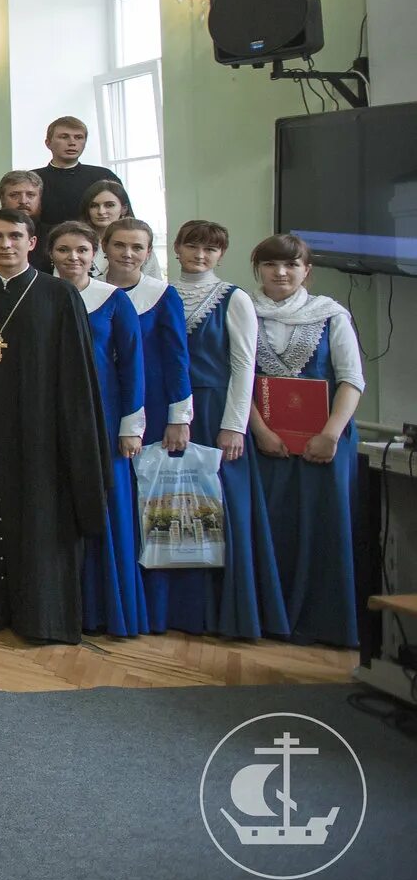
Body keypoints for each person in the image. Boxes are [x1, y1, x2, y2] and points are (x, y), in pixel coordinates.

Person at [0, 210, 108, 644]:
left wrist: (70, 433)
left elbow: (78, 374)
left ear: (32, 242)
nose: (5, 245)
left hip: (44, 429)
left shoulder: (58, 294)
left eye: (14, 237)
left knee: (42, 520)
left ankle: (43, 616)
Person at [160, 221, 285, 639]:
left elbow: (243, 366)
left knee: (222, 507)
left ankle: (227, 612)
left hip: (216, 410)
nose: (200, 255)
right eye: (192, 246)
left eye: (211, 249)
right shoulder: (161, 292)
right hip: (171, 409)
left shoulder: (235, 298)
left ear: (221, 254)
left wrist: (235, 427)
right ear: (176, 248)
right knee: (169, 503)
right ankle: (177, 609)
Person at [247, 234, 366, 649]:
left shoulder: (331, 315)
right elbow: (237, 380)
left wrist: (330, 435)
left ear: (306, 271)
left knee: (324, 527)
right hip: (265, 443)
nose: (281, 273)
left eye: (291, 265)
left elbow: (351, 380)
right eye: (271, 265)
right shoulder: (243, 310)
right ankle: (268, 619)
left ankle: (324, 624)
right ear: (257, 269)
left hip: (325, 443)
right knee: (269, 525)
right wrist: (261, 432)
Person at [49, 221, 147, 638]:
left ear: (95, 254)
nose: (73, 258)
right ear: (49, 253)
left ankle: (105, 609)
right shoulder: (40, 295)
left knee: (106, 507)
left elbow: (132, 365)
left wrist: (131, 426)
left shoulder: (113, 300)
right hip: (50, 417)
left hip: (103, 419)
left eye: (82, 251)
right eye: (64, 250)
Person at [102, 217, 196, 634]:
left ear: (148, 252)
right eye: (119, 245)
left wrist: (179, 417)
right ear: (104, 247)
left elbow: (178, 359)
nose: (127, 254)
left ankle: (155, 606)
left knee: (152, 501)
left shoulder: (162, 294)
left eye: (137, 247)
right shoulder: (90, 290)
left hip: (154, 405)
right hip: (108, 405)